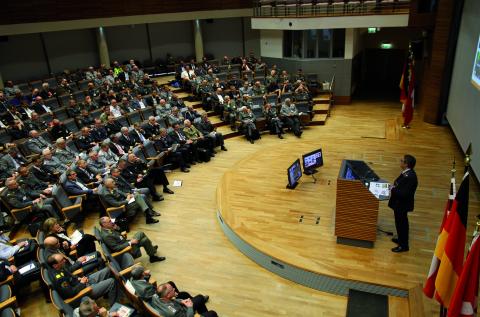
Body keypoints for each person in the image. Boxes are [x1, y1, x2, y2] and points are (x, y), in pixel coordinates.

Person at [47, 253, 118, 305]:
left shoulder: (60, 267)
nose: (65, 261)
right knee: (112, 281)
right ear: (55, 265)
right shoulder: (59, 278)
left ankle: (107, 292)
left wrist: (79, 278)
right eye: (62, 260)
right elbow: (71, 293)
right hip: (83, 292)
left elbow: (70, 276)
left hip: (81, 283)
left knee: (108, 270)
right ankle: (114, 307)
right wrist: (82, 283)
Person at [98, 216, 165, 263]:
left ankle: (152, 253)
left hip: (125, 243)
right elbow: (116, 248)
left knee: (143, 237)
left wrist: (117, 228)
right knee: (142, 237)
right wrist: (130, 243)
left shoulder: (108, 228)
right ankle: (152, 252)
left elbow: (120, 235)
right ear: (104, 224)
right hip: (127, 250)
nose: (112, 222)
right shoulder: (106, 236)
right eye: (109, 221)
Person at [388, 154, 418, 253]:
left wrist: (392, 189)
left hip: (402, 205)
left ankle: (403, 245)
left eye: (402, 160)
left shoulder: (410, 177)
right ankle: (401, 239)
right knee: (399, 223)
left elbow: (404, 194)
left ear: (406, 164)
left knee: (402, 224)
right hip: (399, 204)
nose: (400, 162)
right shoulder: (406, 173)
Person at [151, 282, 217, 317]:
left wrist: (181, 301)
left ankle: (203, 312)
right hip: (185, 313)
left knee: (185, 294)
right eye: (172, 289)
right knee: (212, 313)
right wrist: (190, 307)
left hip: (179, 307)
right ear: (168, 295)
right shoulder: (173, 312)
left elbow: (171, 301)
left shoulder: (155, 296)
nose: (174, 289)